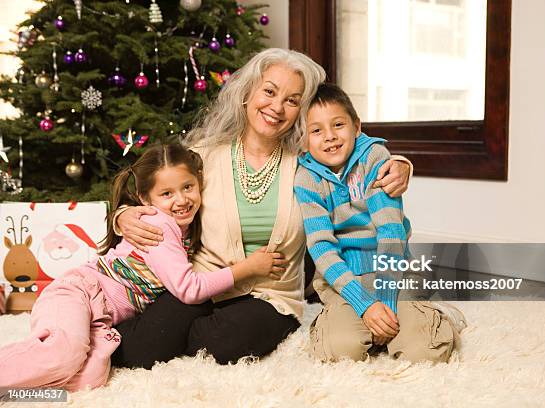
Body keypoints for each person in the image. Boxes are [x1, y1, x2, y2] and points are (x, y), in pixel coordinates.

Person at [111, 48, 413, 367]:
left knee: (221, 344)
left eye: (292, 100)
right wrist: (123, 215)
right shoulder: (203, 156)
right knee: (140, 352)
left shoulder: (309, 165)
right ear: (247, 93)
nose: (276, 107)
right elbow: (157, 188)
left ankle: (177, 340)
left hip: (271, 297)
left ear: (300, 111)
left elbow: (352, 146)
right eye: (269, 91)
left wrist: (400, 163)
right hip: (204, 284)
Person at [0, 144, 282, 392]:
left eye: (188, 187)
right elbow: (188, 289)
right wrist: (248, 268)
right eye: (167, 193)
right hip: (79, 293)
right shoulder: (160, 225)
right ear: (146, 200)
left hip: (102, 319)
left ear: (199, 183)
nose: (181, 199)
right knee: (65, 353)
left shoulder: (183, 228)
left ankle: (17, 389)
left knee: (91, 376)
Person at [294, 82, 466, 363]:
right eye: (316, 130)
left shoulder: (375, 159)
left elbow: (391, 230)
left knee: (423, 353)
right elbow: (321, 247)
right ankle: (360, 327)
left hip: (394, 273)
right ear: (304, 140)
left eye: (338, 125)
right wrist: (365, 305)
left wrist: (385, 301)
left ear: (356, 127)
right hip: (345, 282)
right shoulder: (306, 179)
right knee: (338, 351)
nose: (330, 137)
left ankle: (439, 316)